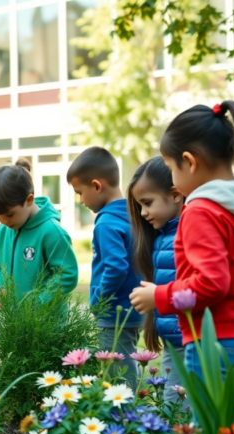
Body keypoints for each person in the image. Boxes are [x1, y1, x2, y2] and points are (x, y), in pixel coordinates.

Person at [130, 101, 234, 431]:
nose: (172, 180)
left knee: (218, 429)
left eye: (170, 168)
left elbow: (211, 283)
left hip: (217, 347)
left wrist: (159, 297)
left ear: (189, 162)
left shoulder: (202, 209)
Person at [68, 147, 143, 388]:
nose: (80, 200)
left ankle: (125, 415)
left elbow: (115, 267)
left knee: (116, 372)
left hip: (114, 312)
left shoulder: (107, 223)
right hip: (134, 308)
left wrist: (98, 300)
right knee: (124, 362)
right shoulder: (134, 215)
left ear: (97, 186)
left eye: (80, 193)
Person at [126, 157, 184, 402]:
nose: (143, 212)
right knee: (174, 413)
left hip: (192, 344)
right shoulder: (161, 236)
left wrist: (157, 297)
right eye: (140, 205)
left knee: (180, 415)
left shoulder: (190, 233)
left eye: (147, 203)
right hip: (174, 341)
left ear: (175, 194)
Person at [0, 158, 78, 307]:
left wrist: (38, 302)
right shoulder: (3, 230)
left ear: (29, 200)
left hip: (46, 325)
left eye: (9, 214)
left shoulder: (52, 232)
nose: (3, 221)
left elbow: (66, 274)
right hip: (14, 323)